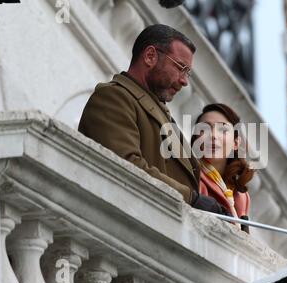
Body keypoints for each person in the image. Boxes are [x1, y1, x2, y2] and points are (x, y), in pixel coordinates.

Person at [78, 24, 225, 214]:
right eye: (181, 67)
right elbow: (125, 166)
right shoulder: (113, 97)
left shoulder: (157, 111)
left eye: (187, 72)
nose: (184, 81)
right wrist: (191, 198)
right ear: (150, 56)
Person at [192, 104, 255, 232]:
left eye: (223, 130)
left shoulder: (241, 195)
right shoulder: (189, 174)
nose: (213, 135)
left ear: (235, 143)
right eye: (205, 129)